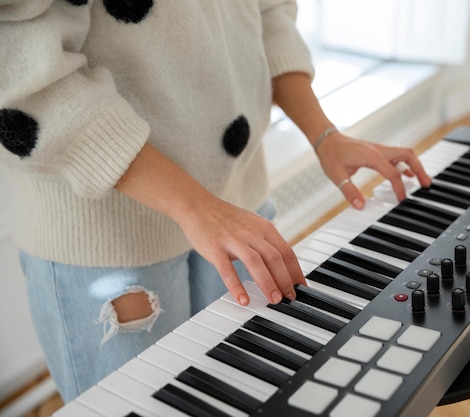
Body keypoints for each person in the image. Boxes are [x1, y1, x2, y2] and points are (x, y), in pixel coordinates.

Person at [0, 0, 431, 403]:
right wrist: (193, 205)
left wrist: (324, 134)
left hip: (236, 205)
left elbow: (268, 10)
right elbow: (16, 60)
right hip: (108, 236)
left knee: (248, 392)